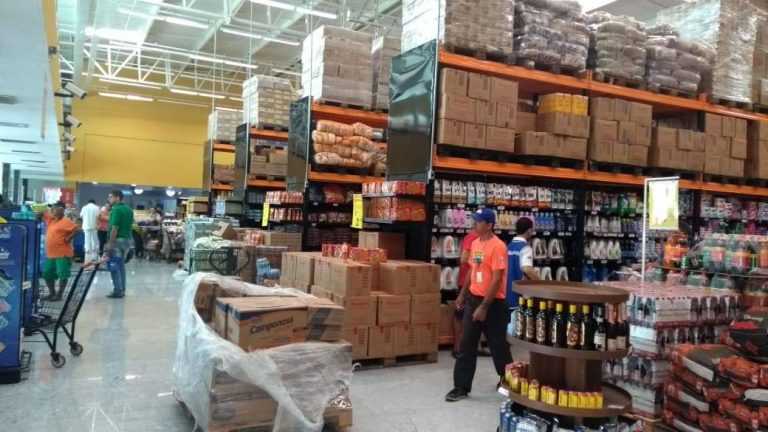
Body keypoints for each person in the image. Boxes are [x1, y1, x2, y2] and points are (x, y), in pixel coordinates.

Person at [446, 208, 512, 402]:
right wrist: (462, 294)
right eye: (474, 220)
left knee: (498, 345)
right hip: (473, 299)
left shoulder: (498, 247)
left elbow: (497, 279)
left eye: (478, 221)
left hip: (493, 304)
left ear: (489, 225)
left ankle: (509, 381)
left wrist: (484, 307)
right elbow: (473, 271)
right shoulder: (475, 243)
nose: (474, 224)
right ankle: (461, 387)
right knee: (466, 344)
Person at [41, 202, 79, 301]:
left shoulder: (66, 221)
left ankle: (59, 295)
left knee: (62, 274)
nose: (52, 211)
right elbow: (40, 215)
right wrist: (40, 211)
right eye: (52, 209)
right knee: (47, 274)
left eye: (54, 209)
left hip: (63, 254)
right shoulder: (51, 220)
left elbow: (77, 229)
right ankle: (52, 293)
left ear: (61, 210)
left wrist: (69, 238)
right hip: (51, 254)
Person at [104, 190, 134, 299]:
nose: (109, 199)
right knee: (121, 265)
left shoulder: (116, 209)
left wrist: (110, 244)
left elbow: (114, 228)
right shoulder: (129, 209)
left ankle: (118, 290)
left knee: (114, 265)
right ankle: (122, 288)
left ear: (117, 198)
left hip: (117, 241)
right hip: (127, 240)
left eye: (111, 197)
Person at [506, 217, 540, 306]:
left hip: (506, 293)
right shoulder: (525, 248)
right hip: (518, 295)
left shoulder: (508, 246)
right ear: (529, 230)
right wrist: (539, 282)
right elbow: (527, 269)